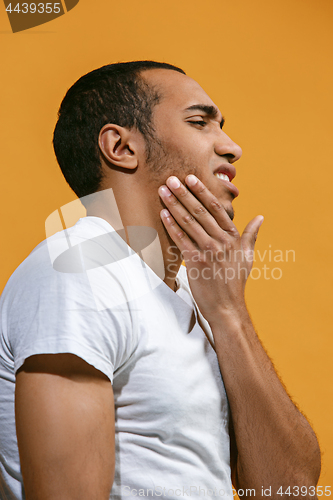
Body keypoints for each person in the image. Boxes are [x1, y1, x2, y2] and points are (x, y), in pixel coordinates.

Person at [0, 61, 321, 500]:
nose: (231, 147)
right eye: (199, 122)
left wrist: (230, 315)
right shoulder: (75, 275)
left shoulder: (196, 294)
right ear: (121, 147)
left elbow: (291, 490)